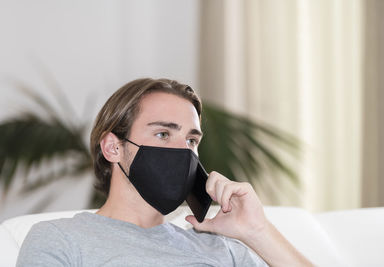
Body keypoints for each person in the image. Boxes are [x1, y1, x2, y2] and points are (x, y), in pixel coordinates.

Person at [17, 78, 312, 266]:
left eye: (192, 140)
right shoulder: (60, 239)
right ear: (113, 148)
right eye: (162, 134)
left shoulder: (219, 246)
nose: (183, 150)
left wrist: (257, 232)